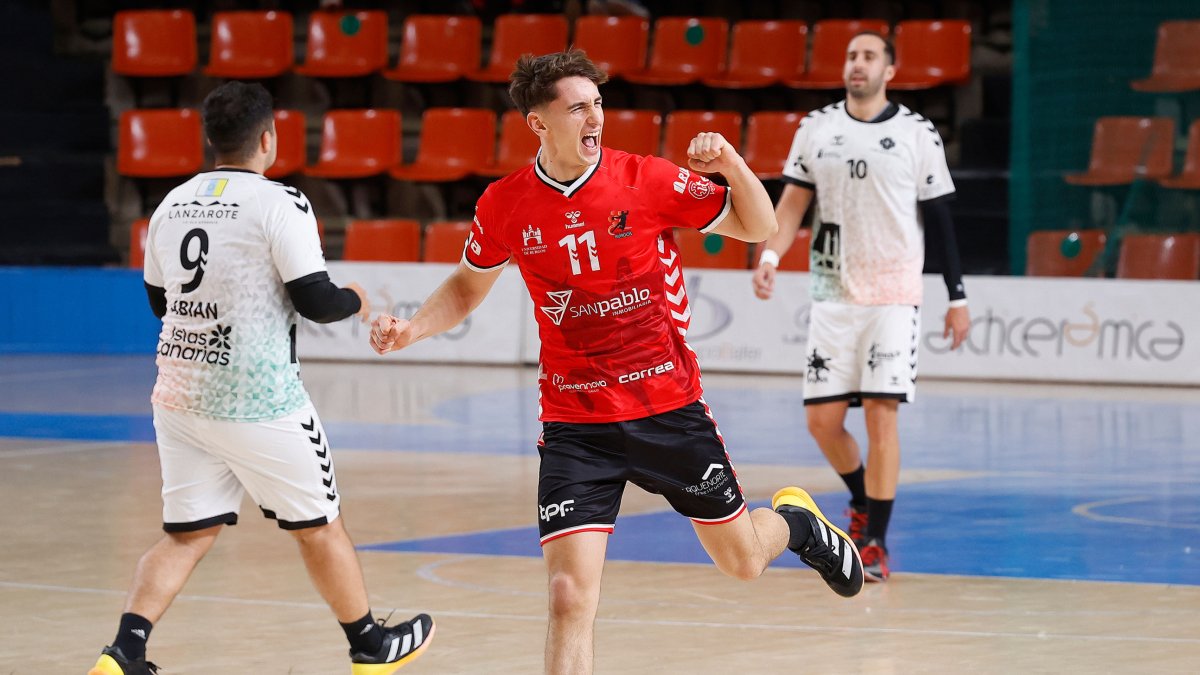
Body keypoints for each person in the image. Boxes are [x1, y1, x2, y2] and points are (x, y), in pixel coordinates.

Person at [368, 50, 863, 675]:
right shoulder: (505, 204)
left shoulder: (646, 179)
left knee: (741, 561)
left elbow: (757, 224)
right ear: (538, 123)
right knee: (567, 596)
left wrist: (732, 163)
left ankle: (795, 525)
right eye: (577, 107)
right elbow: (469, 286)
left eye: (597, 103)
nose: (594, 116)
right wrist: (411, 328)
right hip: (576, 423)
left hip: (667, 410)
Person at [89, 82, 434, 675]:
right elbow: (316, 300)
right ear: (269, 138)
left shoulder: (170, 205)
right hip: (258, 401)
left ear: (210, 139)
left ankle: (125, 653)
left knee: (187, 533)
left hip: (179, 395)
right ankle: (369, 645)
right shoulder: (282, 203)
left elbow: (157, 301)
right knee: (320, 527)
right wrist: (357, 298)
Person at [751, 32, 972, 583]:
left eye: (870, 56)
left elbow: (941, 219)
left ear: (889, 70)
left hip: (894, 298)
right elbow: (794, 202)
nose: (858, 63)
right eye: (852, 55)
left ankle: (875, 541)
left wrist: (957, 295)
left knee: (881, 414)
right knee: (822, 422)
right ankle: (861, 500)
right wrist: (772, 254)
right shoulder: (816, 128)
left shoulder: (916, 133)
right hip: (833, 296)